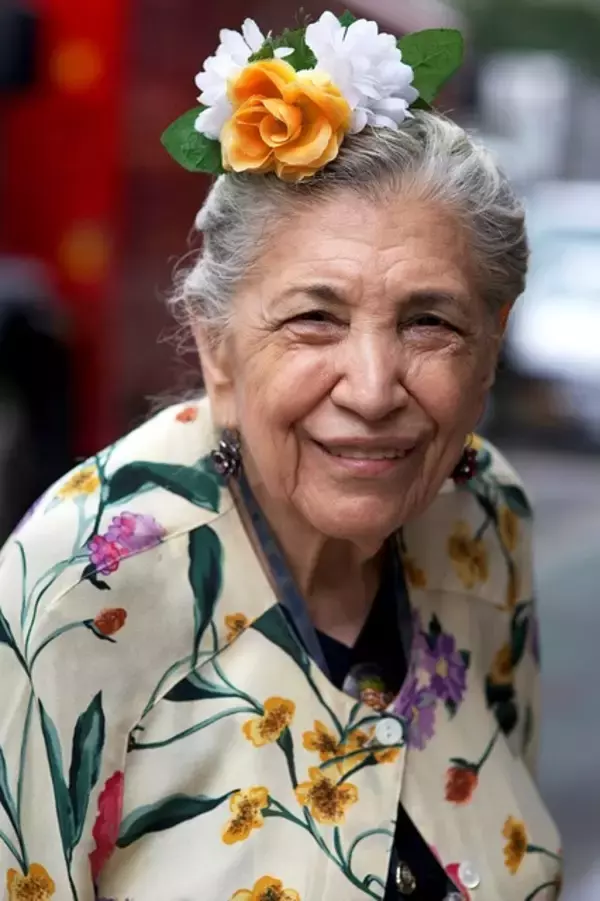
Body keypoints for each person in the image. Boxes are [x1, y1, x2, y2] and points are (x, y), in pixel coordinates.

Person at [0, 12, 561, 901]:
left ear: (490, 347)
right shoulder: (79, 588)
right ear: (216, 346)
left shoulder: (486, 517)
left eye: (429, 321)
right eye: (314, 318)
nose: (372, 389)